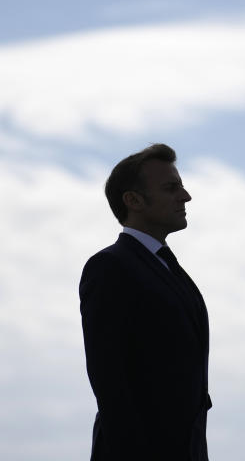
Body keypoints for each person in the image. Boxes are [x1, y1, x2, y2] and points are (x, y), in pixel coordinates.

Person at [79, 143, 211, 460]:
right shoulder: (110, 267)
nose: (185, 196)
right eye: (171, 188)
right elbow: (110, 382)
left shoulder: (171, 270)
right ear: (133, 200)